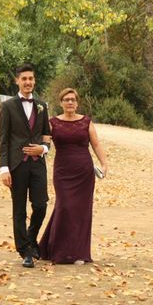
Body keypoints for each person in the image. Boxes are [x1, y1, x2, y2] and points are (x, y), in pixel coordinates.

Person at [39, 88, 107, 265]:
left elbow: (97, 145)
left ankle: (78, 253)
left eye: (73, 99)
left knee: (81, 212)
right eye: (66, 99)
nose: (70, 102)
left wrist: (104, 164)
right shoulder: (52, 122)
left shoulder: (86, 122)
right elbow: (44, 144)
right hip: (62, 172)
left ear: (77, 103)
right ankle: (58, 251)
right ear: (61, 102)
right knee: (65, 207)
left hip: (84, 172)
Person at [0, 63, 51, 268]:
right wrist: (3, 168)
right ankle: (25, 251)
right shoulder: (8, 106)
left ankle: (30, 237)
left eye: (31, 78)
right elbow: (3, 139)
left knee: (40, 205)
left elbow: (47, 134)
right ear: (17, 81)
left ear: (34, 80)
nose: (28, 82)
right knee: (19, 209)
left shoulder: (42, 106)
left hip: (38, 164)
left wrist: (44, 149)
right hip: (17, 164)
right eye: (24, 79)